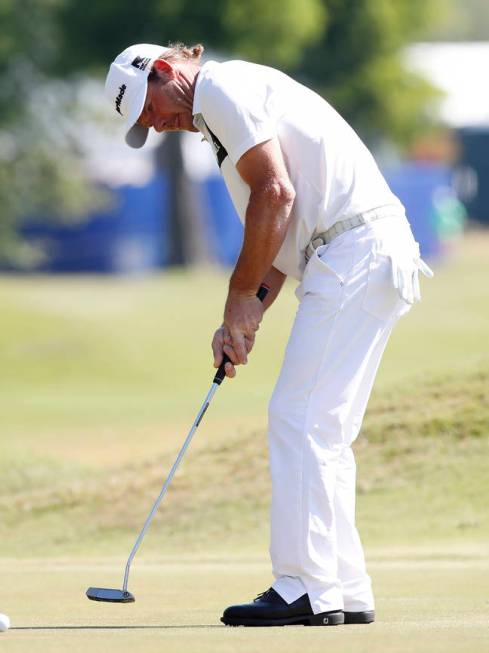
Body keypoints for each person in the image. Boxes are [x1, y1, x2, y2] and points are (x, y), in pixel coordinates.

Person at [104, 43, 432, 627]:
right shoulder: (220, 115)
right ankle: (343, 589)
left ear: (163, 71)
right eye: (142, 125)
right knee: (320, 430)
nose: (154, 125)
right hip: (357, 254)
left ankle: (302, 587)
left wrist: (236, 300)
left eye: (147, 109)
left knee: (297, 419)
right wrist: (246, 315)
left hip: (353, 251)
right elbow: (276, 240)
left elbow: (275, 195)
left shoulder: (221, 90)